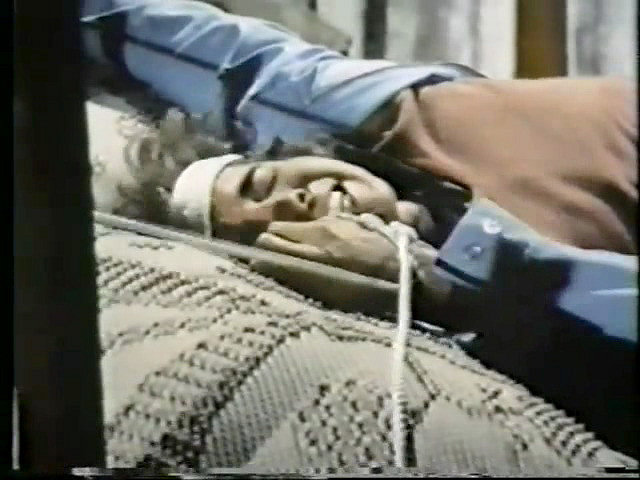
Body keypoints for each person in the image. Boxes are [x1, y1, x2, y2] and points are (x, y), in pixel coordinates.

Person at [81, 0, 638, 455]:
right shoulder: (456, 342)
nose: (293, 202)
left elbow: (160, 37)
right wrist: (438, 290)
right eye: (265, 234)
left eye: (261, 185)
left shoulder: (385, 118)